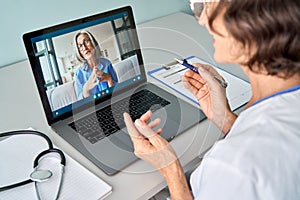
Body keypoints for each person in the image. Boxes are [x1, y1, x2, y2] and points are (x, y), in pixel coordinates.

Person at [123, 0, 300, 199]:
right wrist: (223, 117)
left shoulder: (233, 167)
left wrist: (171, 170)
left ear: (252, 20)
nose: (202, 20)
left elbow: (249, 160)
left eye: (209, 6)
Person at [73, 30, 118, 99]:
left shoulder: (107, 63)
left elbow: (118, 92)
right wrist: (86, 89)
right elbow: (81, 103)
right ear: (78, 51)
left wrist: (109, 78)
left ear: (93, 43)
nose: (84, 48)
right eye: (80, 46)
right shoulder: (78, 74)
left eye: (86, 42)